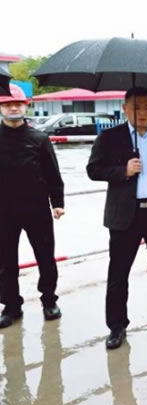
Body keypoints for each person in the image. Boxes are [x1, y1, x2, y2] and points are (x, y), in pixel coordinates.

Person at [87, 87, 147, 350]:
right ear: (124, 108)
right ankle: (117, 325)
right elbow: (93, 169)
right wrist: (124, 170)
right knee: (119, 271)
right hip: (125, 215)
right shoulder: (110, 137)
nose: (142, 112)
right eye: (136, 107)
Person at [0, 84, 65, 328]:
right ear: (1, 108)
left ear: (25, 106)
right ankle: (11, 306)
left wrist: (57, 202)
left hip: (36, 208)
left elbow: (53, 174)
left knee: (45, 256)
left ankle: (49, 300)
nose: (13, 108)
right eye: (7, 104)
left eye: (17, 104)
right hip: (4, 210)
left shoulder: (39, 139)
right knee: (5, 261)